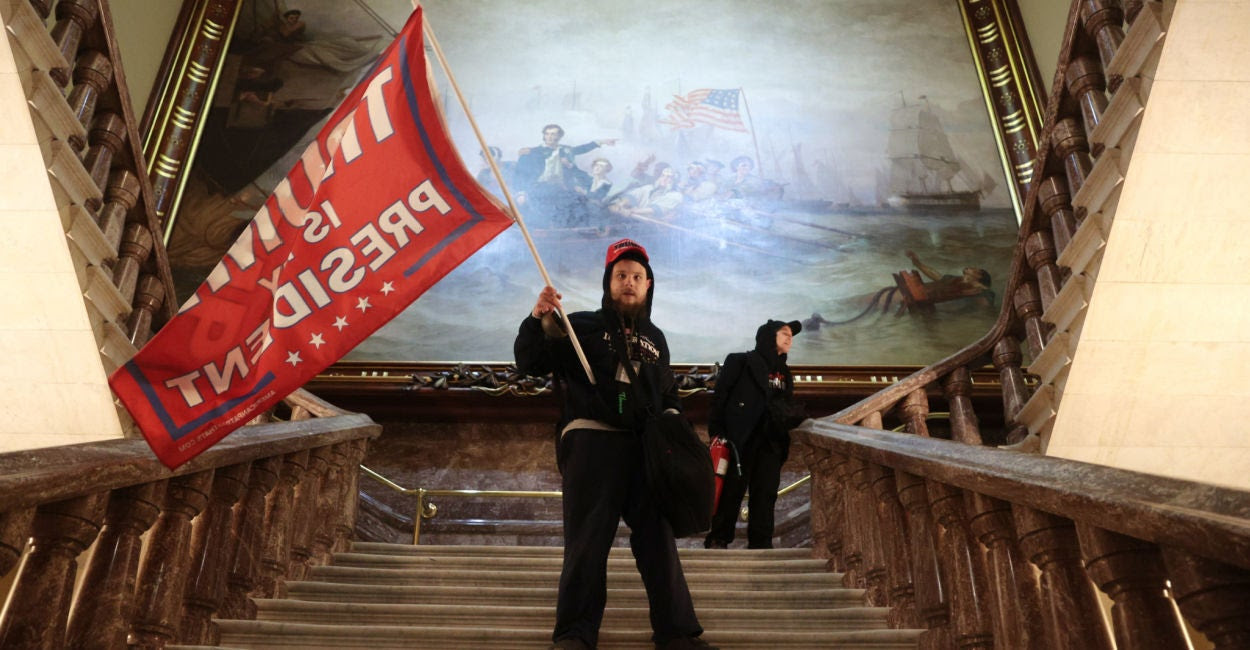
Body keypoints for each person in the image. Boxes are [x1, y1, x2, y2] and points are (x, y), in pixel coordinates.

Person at [515, 239, 715, 650]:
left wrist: (676, 426)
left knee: (659, 541)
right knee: (588, 541)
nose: (629, 283)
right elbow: (530, 361)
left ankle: (676, 632)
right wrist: (538, 318)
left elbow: (669, 397)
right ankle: (575, 633)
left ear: (649, 285)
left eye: (637, 277)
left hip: (646, 450)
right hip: (593, 441)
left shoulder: (656, 338)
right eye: (621, 275)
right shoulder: (580, 325)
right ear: (608, 283)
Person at [704, 320, 805, 550]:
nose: (789, 338)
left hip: (771, 440)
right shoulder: (740, 361)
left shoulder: (785, 373)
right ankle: (719, 539)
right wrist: (717, 433)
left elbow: (786, 405)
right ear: (769, 336)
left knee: (766, 493)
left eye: (791, 335)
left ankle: (761, 544)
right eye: (784, 333)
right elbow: (720, 398)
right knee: (732, 490)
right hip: (741, 439)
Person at [903, 250, 993, 305]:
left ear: (979, 275)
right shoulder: (955, 280)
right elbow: (935, 275)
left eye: (974, 269)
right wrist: (917, 262)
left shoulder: (984, 292)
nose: (970, 267)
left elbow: (985, 306)